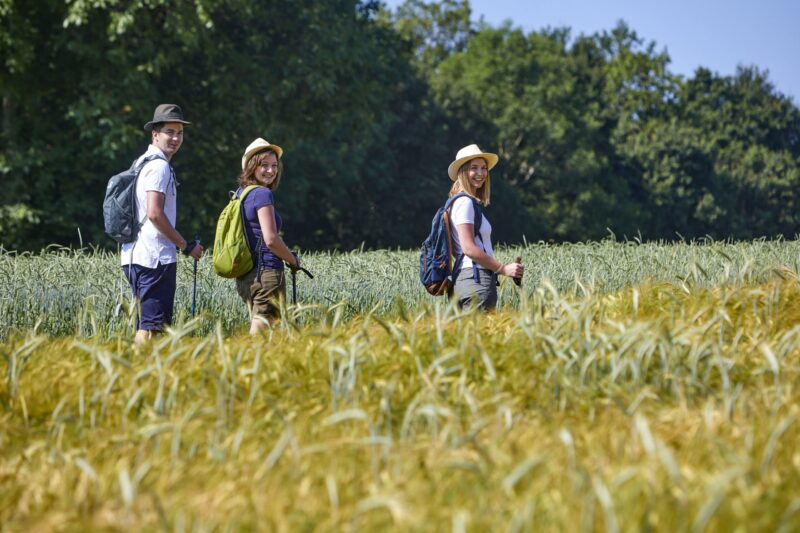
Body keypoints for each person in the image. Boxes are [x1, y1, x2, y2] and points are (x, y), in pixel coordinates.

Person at [121, 104, 204, 346]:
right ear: (155, 134)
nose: (176, 138)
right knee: (151, 329)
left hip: (135, 256)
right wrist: (185, 246)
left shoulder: (142, 162)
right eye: (170, 131)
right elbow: (155, 213)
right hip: (155, 258)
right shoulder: (159, 166)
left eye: (180, 132)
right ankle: (141, 378)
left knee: (145, 326)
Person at [235, 138, 300, 334]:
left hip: (246, 276)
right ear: (251, 166)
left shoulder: (240, 194)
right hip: (267, 274)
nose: (271, 171)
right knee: (262, 340)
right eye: (264, 165)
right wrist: (292, 259)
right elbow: (271, 239)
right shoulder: (263, 195)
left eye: (274, 166)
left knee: (261, 335)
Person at [447, 144, 523, 310]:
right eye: (474, 168)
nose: (480, 173)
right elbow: (468, 248)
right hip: (476, 281)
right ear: (462, 171)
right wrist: (503, 269)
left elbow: (456, 249)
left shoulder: (456, 203)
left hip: (462, 280)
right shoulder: (465, 203)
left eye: (484, 168)